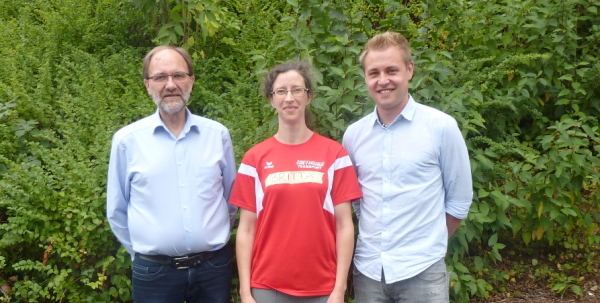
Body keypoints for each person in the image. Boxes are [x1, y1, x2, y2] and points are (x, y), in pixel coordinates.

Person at [342, 32, 473, 303]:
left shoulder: (441, 128)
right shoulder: (353, 136)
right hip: (368, 273)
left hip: (422, 271)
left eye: (392, 70)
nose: (383, 80)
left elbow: (459, 201)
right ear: (365, 77)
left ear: (410, 70)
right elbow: (358, 202)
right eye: (374, 72)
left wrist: (426, 242)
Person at [106, 45, 237, 303]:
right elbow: (117, 210)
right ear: (147, 85)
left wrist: (212, 238)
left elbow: (230, 199)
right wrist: (144, 254)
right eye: (160, 77)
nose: (170, 84)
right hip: (154, 273)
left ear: (191, 80)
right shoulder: (127, 141)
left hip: (213, 268)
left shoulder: (217, 135)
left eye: (178, 75)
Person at [231, 61, 362, 303]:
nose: (289, 98)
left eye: (297, 90)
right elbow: (246, 229)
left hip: (322, 289)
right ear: (271, 99)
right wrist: (245, 292)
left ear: (309, 96)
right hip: (267, 287)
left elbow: (344, 225)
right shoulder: (254, 159)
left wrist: (339, 289)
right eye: (281, 91)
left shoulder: (334, 155)